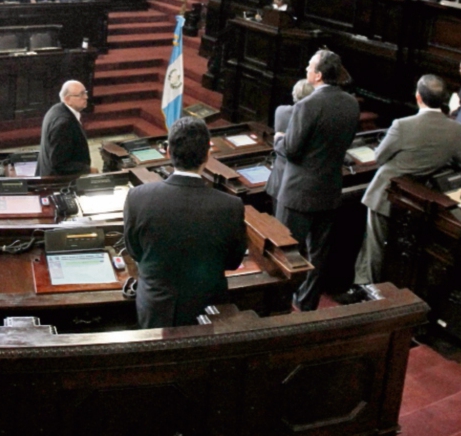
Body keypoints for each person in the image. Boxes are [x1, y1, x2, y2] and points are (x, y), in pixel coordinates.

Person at [340, 74, 461, 300]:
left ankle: (366, 290)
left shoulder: (403, 125)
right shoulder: (457, 129)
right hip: (421, 199)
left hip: (385, 193)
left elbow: (380, 157)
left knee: (374, 245)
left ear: (418, 97)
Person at [124, 116, 247, 329]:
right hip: (209, 310)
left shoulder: (137, 197)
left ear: (169, 152)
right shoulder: (231, 206)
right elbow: (233, 262)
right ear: (208, 155)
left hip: (156, 308)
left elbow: (135, 251)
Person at [273, 51, 361, 311]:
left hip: (298, 193)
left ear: (319, 74)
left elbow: (292, 150)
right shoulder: (351, 103)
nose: (306, 68)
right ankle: (307, 305)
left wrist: (278, 140)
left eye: (309, 65)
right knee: (317, 256)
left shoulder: (307, 105)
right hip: (329, 189)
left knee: (287, 252)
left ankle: (279, 308)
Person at [267, 78, 314, 201]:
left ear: (294, 94)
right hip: (303, 182)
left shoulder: (281, 111)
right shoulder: (315, 118)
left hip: (281, 176)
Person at [37, 80, 91, 176]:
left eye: (85, 93)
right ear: (67, 99)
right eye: (81, 94)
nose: (86, 97)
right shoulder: (64, 124)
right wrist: (87, 169)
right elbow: (59, 164)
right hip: (59, 183)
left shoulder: (56, 109)